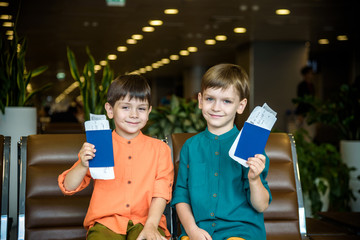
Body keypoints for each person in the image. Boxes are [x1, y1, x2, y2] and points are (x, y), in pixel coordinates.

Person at [58, 74, 174, 240]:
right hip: (106, 223)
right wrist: (83, 165)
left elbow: (161, 193)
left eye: (141, 108)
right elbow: (68, 186)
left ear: (148, 112)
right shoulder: (99, 145)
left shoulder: (160, 149)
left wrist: (151, 226)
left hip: (146, 221)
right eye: (125, 107)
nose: (134, 114)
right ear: (110, 110)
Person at [171, 63, 272, 240]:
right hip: (199, 231)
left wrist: (254, 179)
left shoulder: (249, 146)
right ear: (200, 100)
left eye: (226, 101)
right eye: (210, 99)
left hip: (241, 231)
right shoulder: (190, 147)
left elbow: (261, 205)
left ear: (241, 106)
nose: (216, 107)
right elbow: (182, 196)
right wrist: (192, 230)